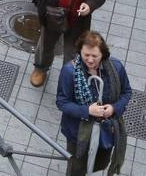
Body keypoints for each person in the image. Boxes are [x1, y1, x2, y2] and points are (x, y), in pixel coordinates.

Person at [56, 31, 131, 176]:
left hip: (107, 128)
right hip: (78, 132)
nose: (90, 60)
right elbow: (62, 102)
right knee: (76, 169)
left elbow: (126, 92)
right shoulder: (69, 71)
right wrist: (87, 111)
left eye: (94, 56)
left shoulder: (116, 67)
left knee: (101, 162)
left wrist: (114, 108)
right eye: (86, 55)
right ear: (80, 52)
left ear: (103, 54)